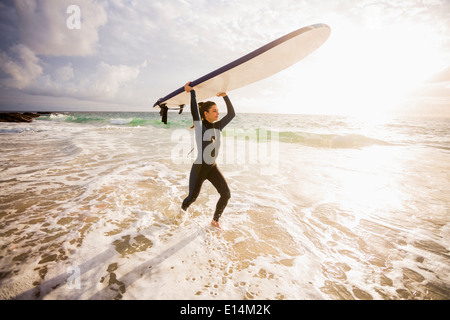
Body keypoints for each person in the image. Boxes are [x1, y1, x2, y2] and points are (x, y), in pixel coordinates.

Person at [181, 81, 235, 229]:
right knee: (192, 198)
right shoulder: (200, 126)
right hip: (200, 168)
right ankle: (179, 216)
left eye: (217, 111)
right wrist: (191, 92)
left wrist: (225, 96)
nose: (218, 113)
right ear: (205, 113)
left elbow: (232, 114)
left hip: (212, 167)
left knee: (226, 194)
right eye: (214, 111)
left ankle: (215, 220)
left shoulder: (218, 126)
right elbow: (194, 110)